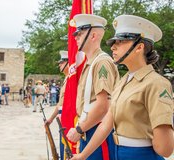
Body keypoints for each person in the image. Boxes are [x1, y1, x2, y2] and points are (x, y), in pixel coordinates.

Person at [69, 15, 174, 160]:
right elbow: (106, 125)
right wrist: (82, 156)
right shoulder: (124, 81)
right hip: (119, 153)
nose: (113, 46)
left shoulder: (156, 83)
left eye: (121, 41)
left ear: (139, 47)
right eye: (114, 42)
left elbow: (165, 148)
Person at [66, 14, 119, 160]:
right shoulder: (91, 63)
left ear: (93, 36)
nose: (75, 37)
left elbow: (103, 106)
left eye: (80, 33)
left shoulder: (101, 63)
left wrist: (79, 129)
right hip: (90, 129)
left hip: (98, 132)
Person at [45, 50, 69, 160]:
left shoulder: (72, 79)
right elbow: (59, 105)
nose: (59, 64)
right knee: (62, 147)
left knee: (67, 149)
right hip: (62, 117)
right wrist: (50, 119)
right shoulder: (66, 79)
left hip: (68, 118)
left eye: (62, 62)